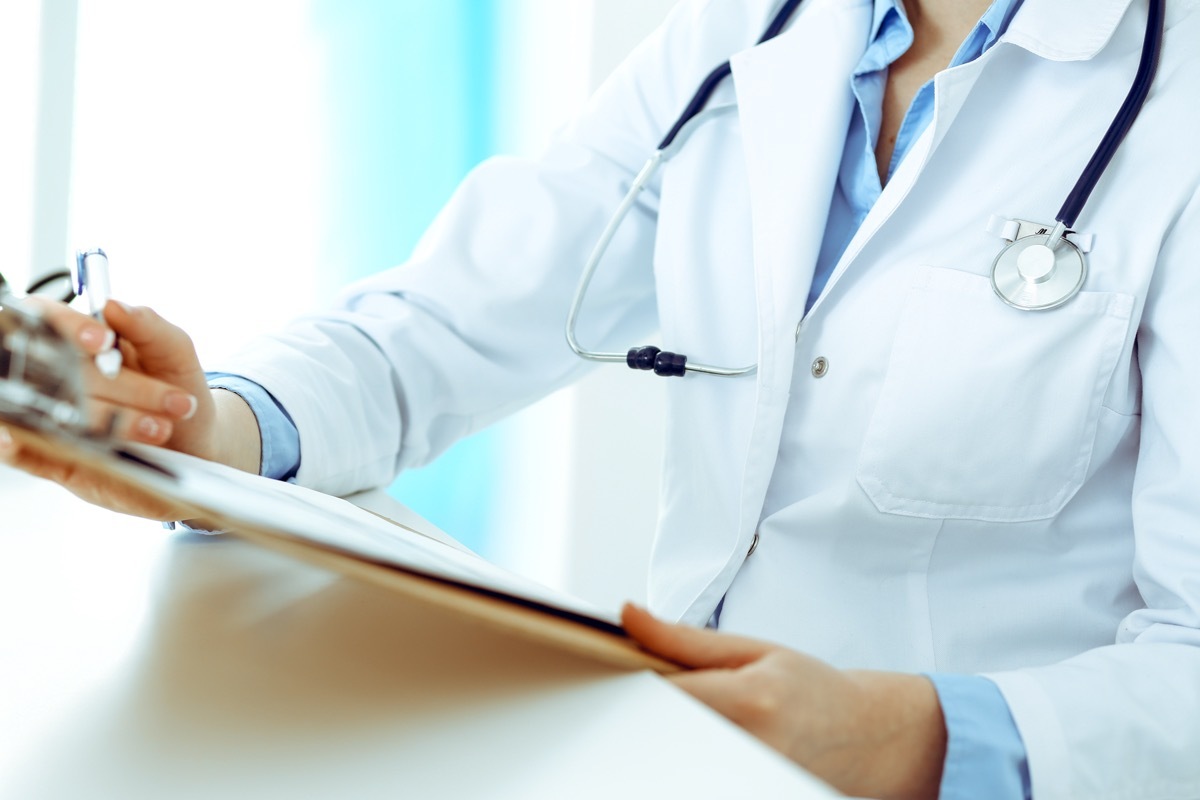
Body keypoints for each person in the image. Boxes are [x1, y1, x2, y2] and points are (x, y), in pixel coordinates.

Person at [3, 0, 1199, 797]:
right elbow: (442, 325)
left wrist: (903, 735)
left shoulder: (1172, 100)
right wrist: (205, 422)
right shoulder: (748, 37)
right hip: (682, 760)